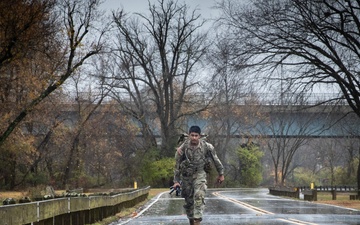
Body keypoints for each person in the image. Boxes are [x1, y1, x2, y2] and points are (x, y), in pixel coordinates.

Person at [173, 125, 224, 225]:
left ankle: (197, 221)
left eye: (196, 135)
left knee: (199, 196)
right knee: (189, 202)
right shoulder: (183, 148)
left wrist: (221, 174)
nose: (194, 138)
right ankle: (192, 220)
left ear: (199, 136)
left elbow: (216, 160)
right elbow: (177, 165)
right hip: (186, 177)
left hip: (200, 174)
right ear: (189, 135)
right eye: (192, 135)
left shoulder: (207, 147)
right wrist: (176, 181)